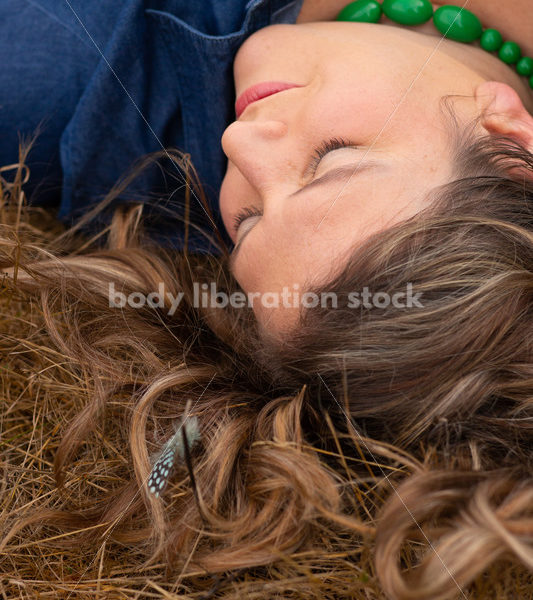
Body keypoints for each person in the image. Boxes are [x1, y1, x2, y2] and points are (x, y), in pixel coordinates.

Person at [1, 1, 533, 599]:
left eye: (247, 223)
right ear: (508, 138)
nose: (239, 142)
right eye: (332, 158)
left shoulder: (56, 80)